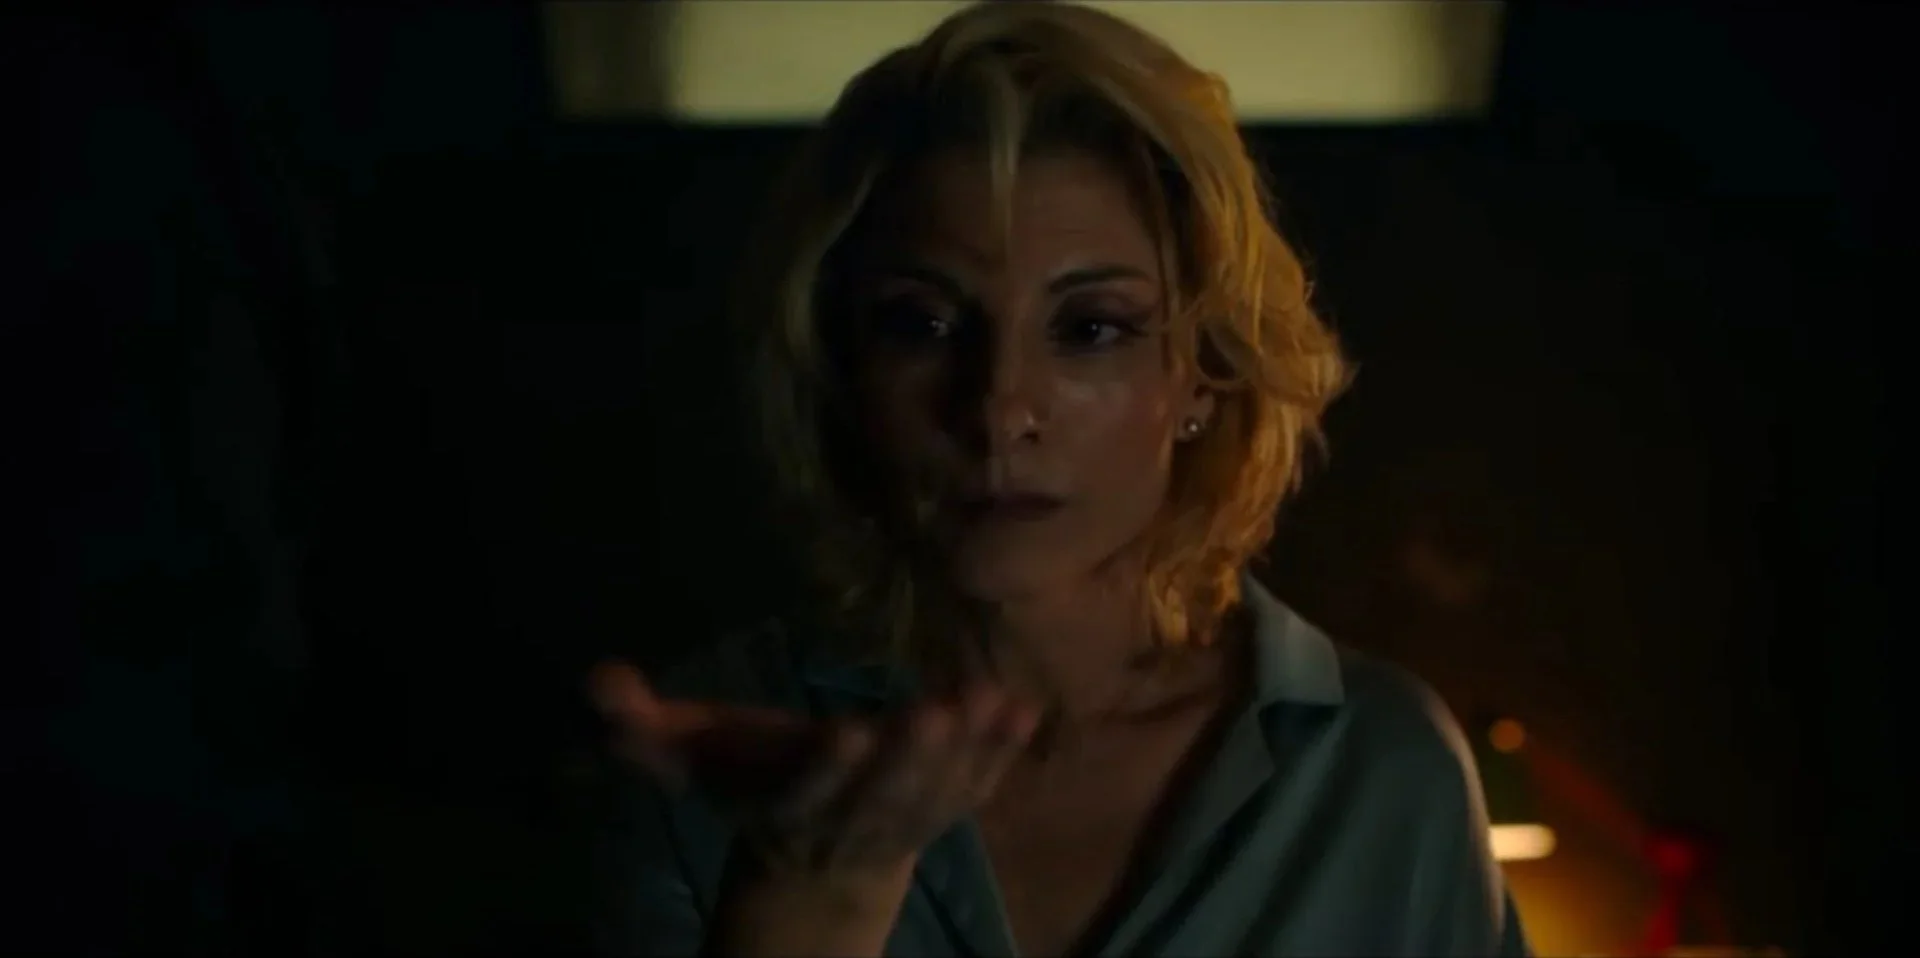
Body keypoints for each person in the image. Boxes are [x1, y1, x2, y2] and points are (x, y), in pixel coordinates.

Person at [589, 3, 1530, 955]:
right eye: (924, 324)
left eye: (1089, 329)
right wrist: (802, 910)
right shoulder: (720, 757)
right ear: (840, 369)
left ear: (1201, 373)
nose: (999, 408)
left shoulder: (1373, 773)